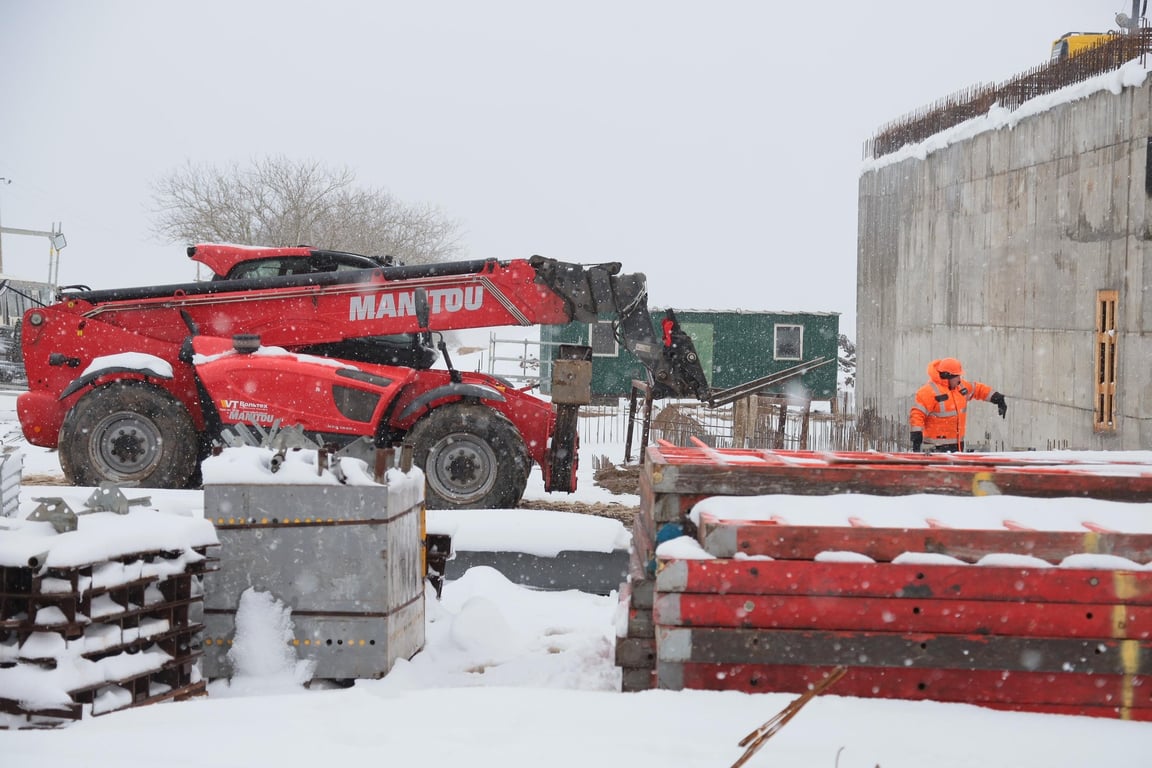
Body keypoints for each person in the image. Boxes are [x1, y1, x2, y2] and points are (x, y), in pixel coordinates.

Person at [909, 357, 1007, 452]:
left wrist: (997, 398)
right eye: (957, 376)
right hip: (936, 450)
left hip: (957, 448)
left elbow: (977, 389)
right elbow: (917, 414)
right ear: (948, 376)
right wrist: (916, 437)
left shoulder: (960, 388)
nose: (959, 379)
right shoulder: (928, 391)